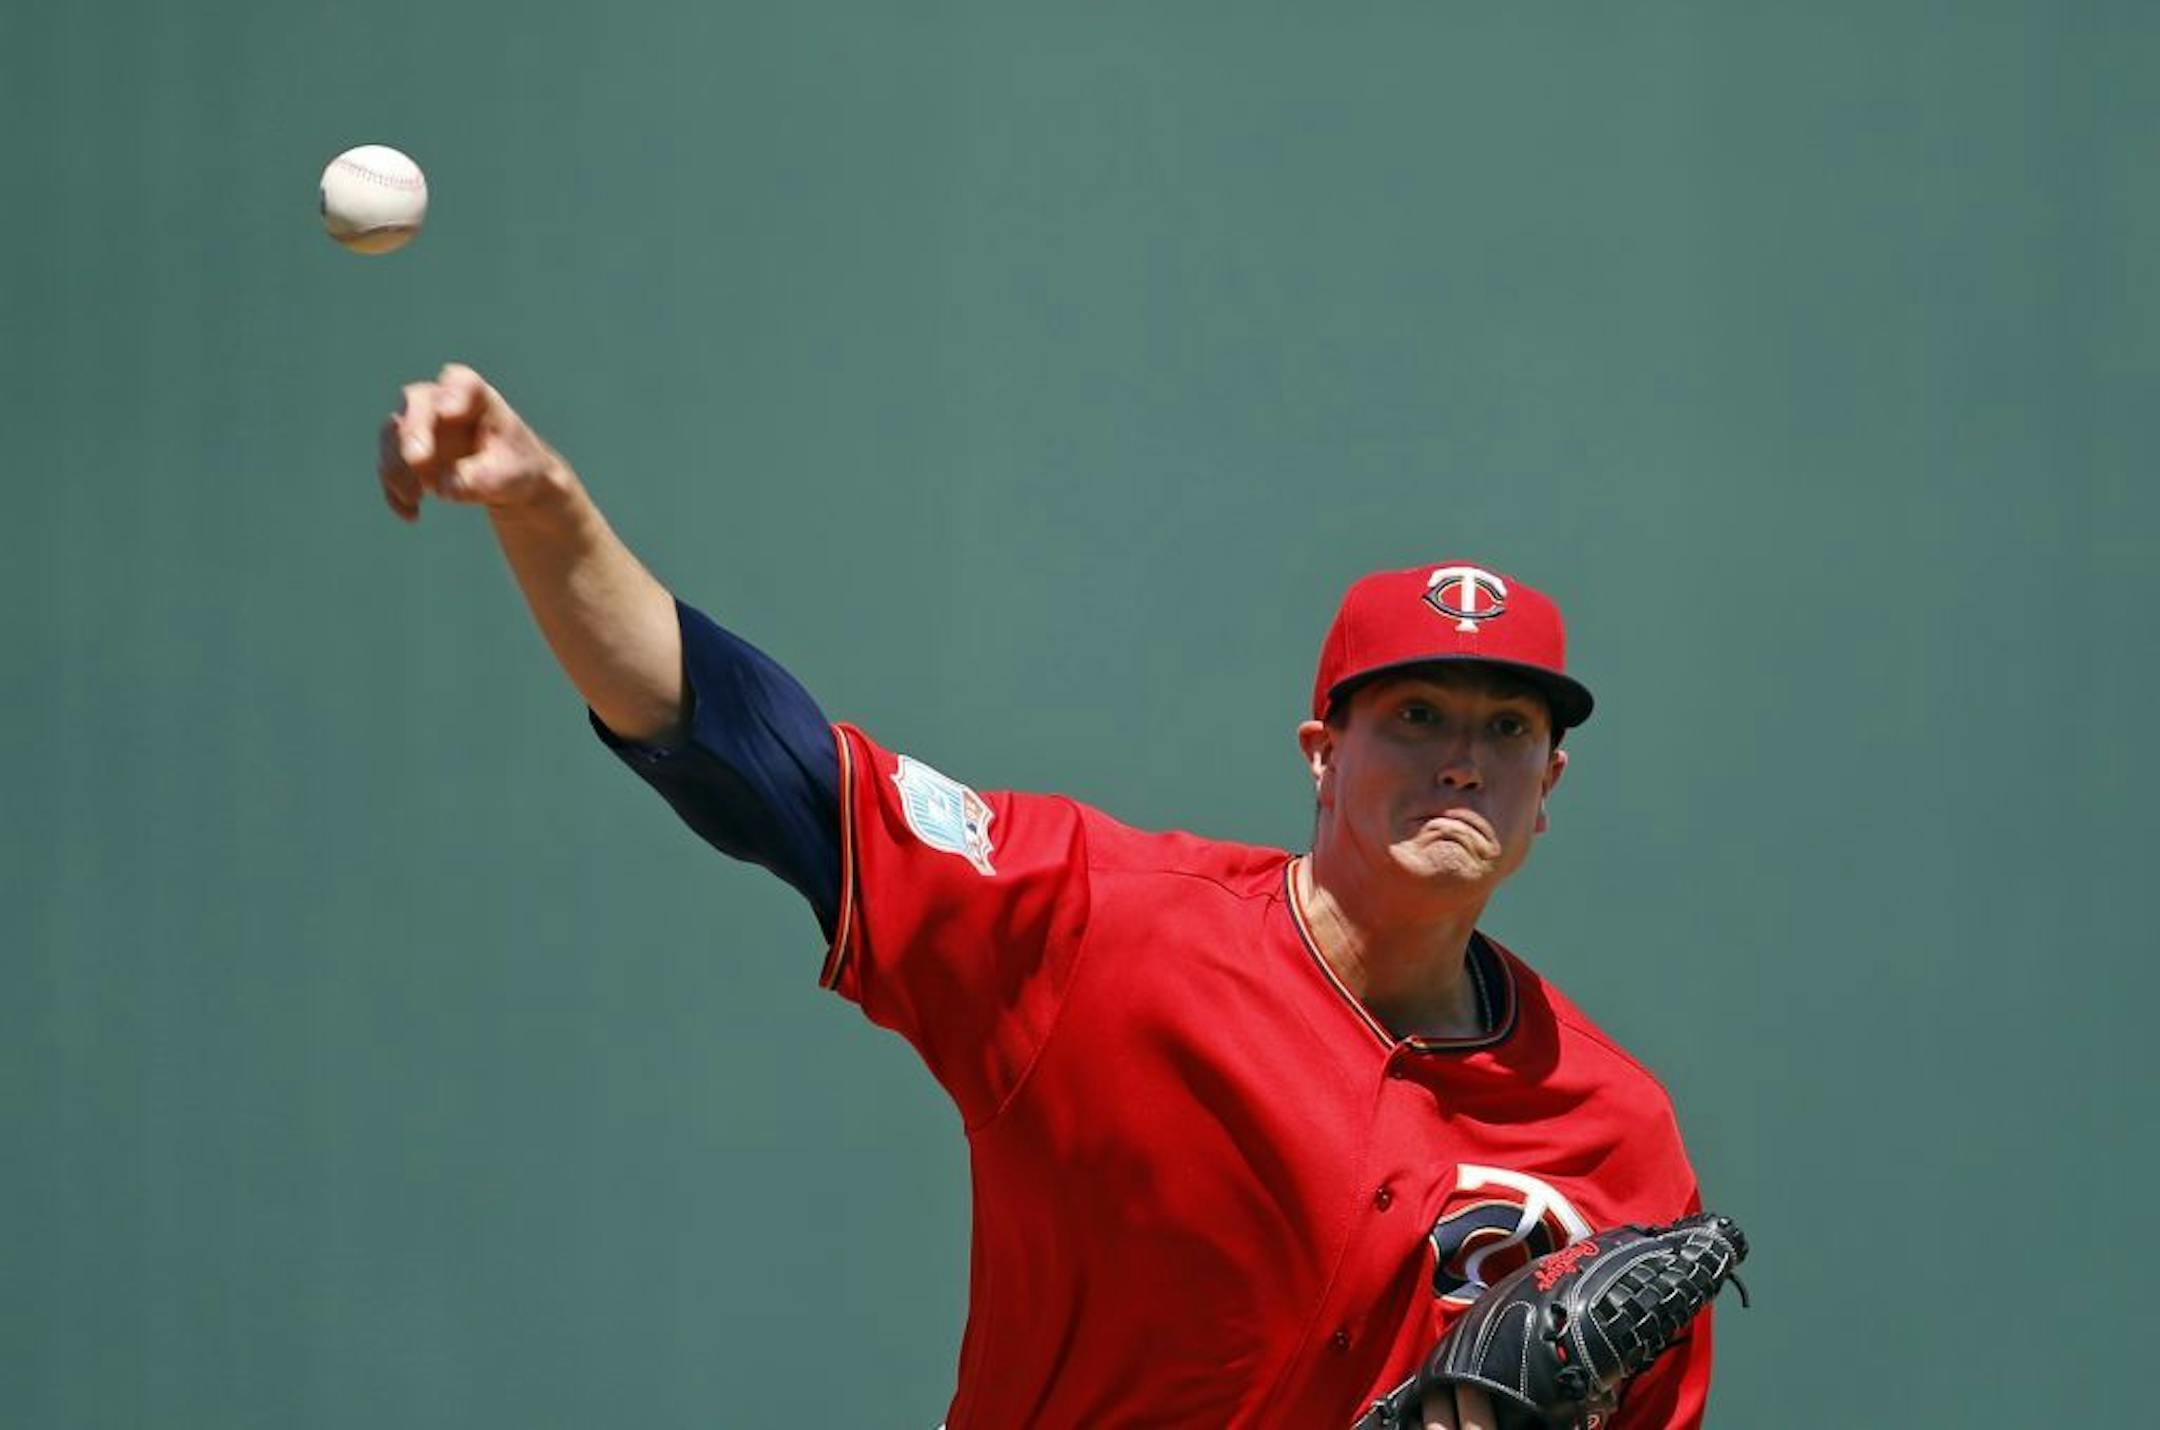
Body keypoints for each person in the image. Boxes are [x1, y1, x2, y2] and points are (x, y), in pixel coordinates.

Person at [378, 364, 1719, 1429]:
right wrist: (548, 514)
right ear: (1322, 751)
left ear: (1550, 783)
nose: (1457, 759)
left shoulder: (1614, 1133)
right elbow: (761, 761)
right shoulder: (1106, 930)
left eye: (1503, 728)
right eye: (1415, 712)